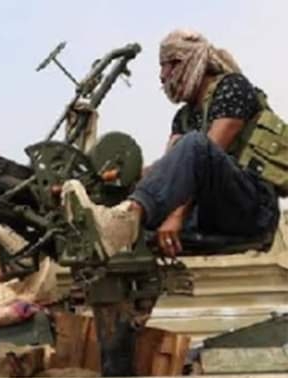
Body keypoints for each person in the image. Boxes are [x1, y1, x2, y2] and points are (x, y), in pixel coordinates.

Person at [62, 29, 281, 259]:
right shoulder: (183, 118)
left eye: (168, 65)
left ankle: (125, 222)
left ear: (189, 62)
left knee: (195, 144)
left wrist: (176, 215)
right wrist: (110, 176)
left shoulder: (232, 88)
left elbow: (206, 156)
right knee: (131, 187)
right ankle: (103, 226)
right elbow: (168, 172)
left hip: (253, 208)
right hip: (209, 211)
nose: (162, 75)